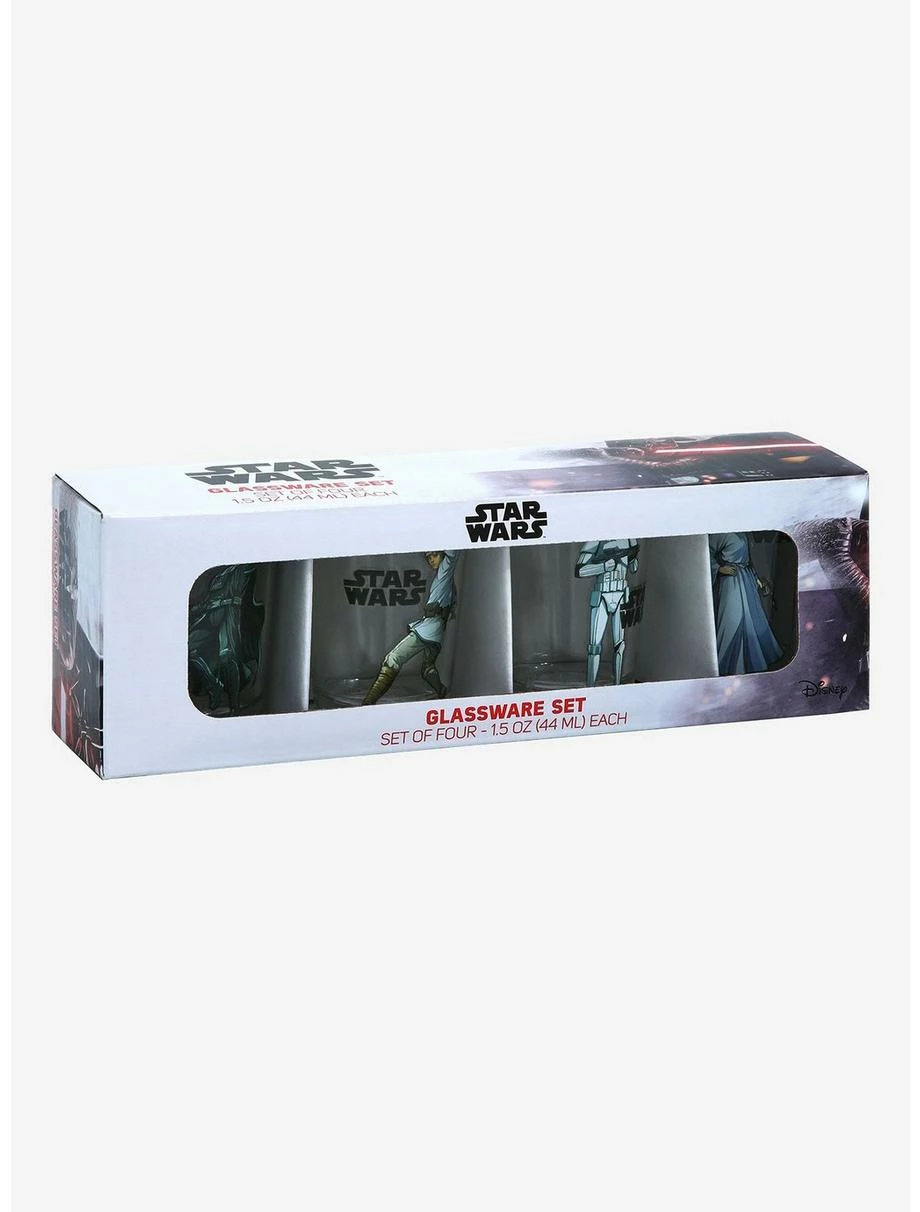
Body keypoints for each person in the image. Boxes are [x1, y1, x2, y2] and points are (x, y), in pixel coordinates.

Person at [363, 550, 458, 704]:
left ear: (443, 554)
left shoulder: (445, 572)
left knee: (392, 659)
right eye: (428, 558)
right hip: (436, 632)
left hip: (429, 629)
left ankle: (367, 704)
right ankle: (442, 693)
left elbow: (452, 554)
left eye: (435, 555)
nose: (431, 560)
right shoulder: (445, 580)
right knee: (427, 668)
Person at [709, 533, 783, 675]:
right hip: (731, 580)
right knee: (732, 620)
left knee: (752, 620)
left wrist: (757, 580)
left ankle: (751, 662)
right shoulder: (721, 533)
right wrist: (719, 568)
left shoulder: (743, 534)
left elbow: (749, 562)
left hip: (746, 578)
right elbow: (707, 552)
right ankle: (725, 663)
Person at [575, 538, 639, 686]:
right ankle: (591, 687)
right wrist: (603, 567)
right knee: (594, 647)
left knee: (620, 645)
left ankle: (617, 685)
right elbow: (580, 570)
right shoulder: (595, 542)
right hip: (602, 594)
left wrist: (633, 556)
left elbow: (634, 568)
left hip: (621, 594)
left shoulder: (629, 540)